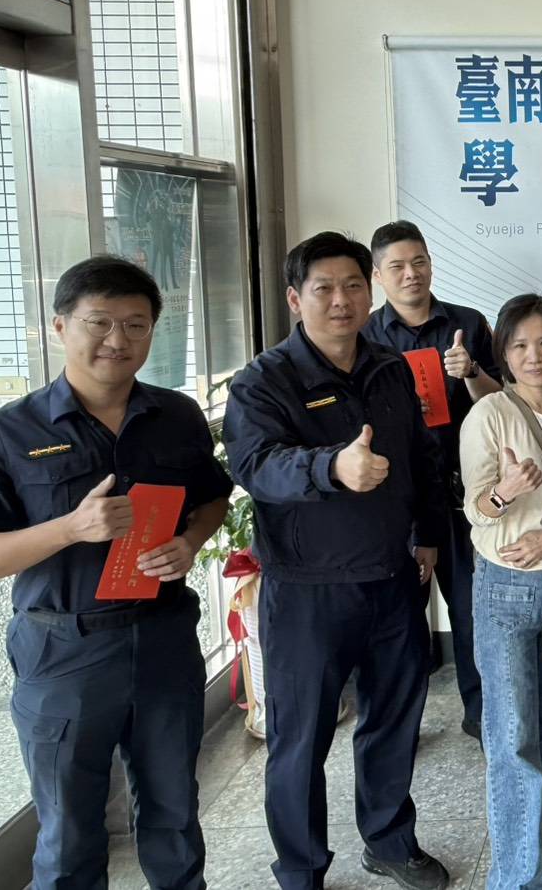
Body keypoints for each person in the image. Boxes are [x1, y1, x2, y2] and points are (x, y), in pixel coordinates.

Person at [224, 232, 452, 890]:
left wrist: (429, 533)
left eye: (353, 285)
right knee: (300, 740)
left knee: (392, 723)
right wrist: (331, 467)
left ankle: (389, 842)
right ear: (296, 299)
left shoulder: (389, 367)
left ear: (369, 291)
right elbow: (256, 465)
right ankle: (301, 869)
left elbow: (421, 458)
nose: (341, 300)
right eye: (323, 288)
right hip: (308, 591)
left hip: (393, 580)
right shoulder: (264, 381)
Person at [0, 257, 232, 890]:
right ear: (59, 327)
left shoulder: (176, 415)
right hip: (64, 649)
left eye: (135, 324)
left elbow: (212, 497)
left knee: (174, 814)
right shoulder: (12, 431)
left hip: (163, 636)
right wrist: (70, 528)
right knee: (68, 833)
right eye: (98, 322)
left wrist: (189, 542)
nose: (117, 340)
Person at [460, 294, 542, 890]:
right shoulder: (489, 414)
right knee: (512, 738)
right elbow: (476, 509)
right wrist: (506, 491)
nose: (534, 356)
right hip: (505, 589)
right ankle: (519, 878)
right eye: (519, 346)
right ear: (503, 354)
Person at [364, 219, 500, 741]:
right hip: (397, 499)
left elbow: (499, 401)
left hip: (463, 493)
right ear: (378, 275)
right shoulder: (365, 336)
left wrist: (471, 372)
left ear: (430, 264)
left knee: (470, 611)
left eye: (418, 261)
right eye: (397, 266)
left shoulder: (467, 323)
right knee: (397, 619)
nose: (411, 273)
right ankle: (399, 730)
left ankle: (482, 716)